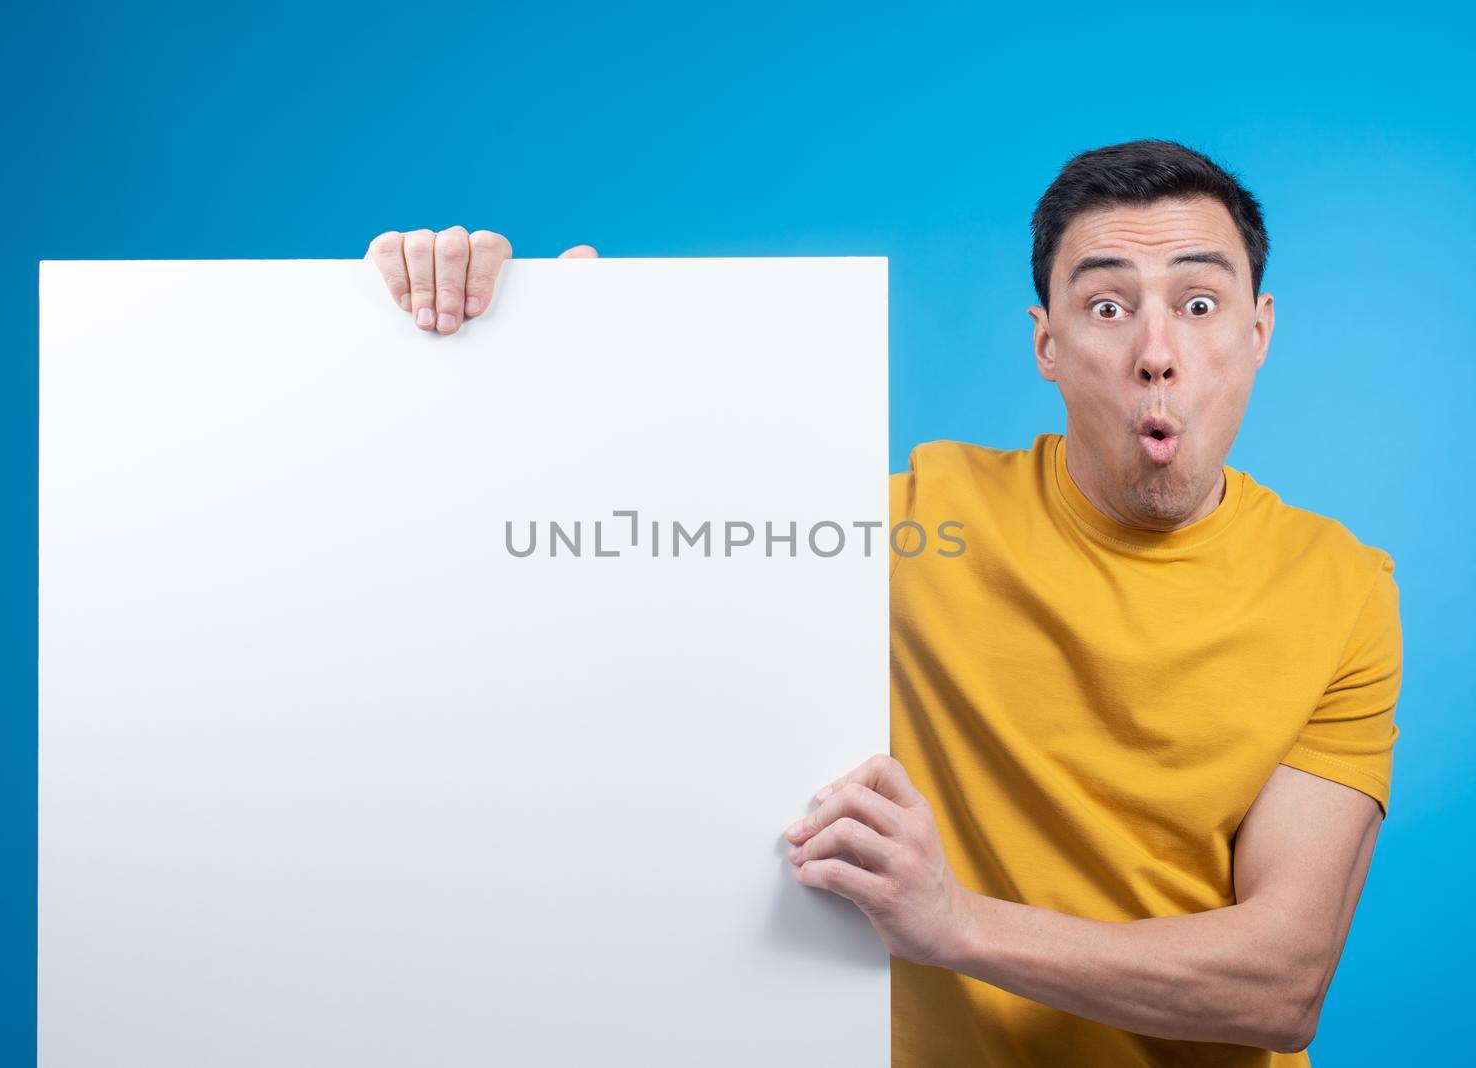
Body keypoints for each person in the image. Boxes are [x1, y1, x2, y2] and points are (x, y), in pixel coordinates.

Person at [362, 140, 1401, 1067]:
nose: (1157, 351)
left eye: (1200, 303)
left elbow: (1280, 982)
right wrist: (538, 349)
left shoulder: (1342, 589)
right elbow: (597, 550)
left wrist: (953, 924)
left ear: (1259, 332)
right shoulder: (910, 529)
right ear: (1046, 345)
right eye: (1107, 305)